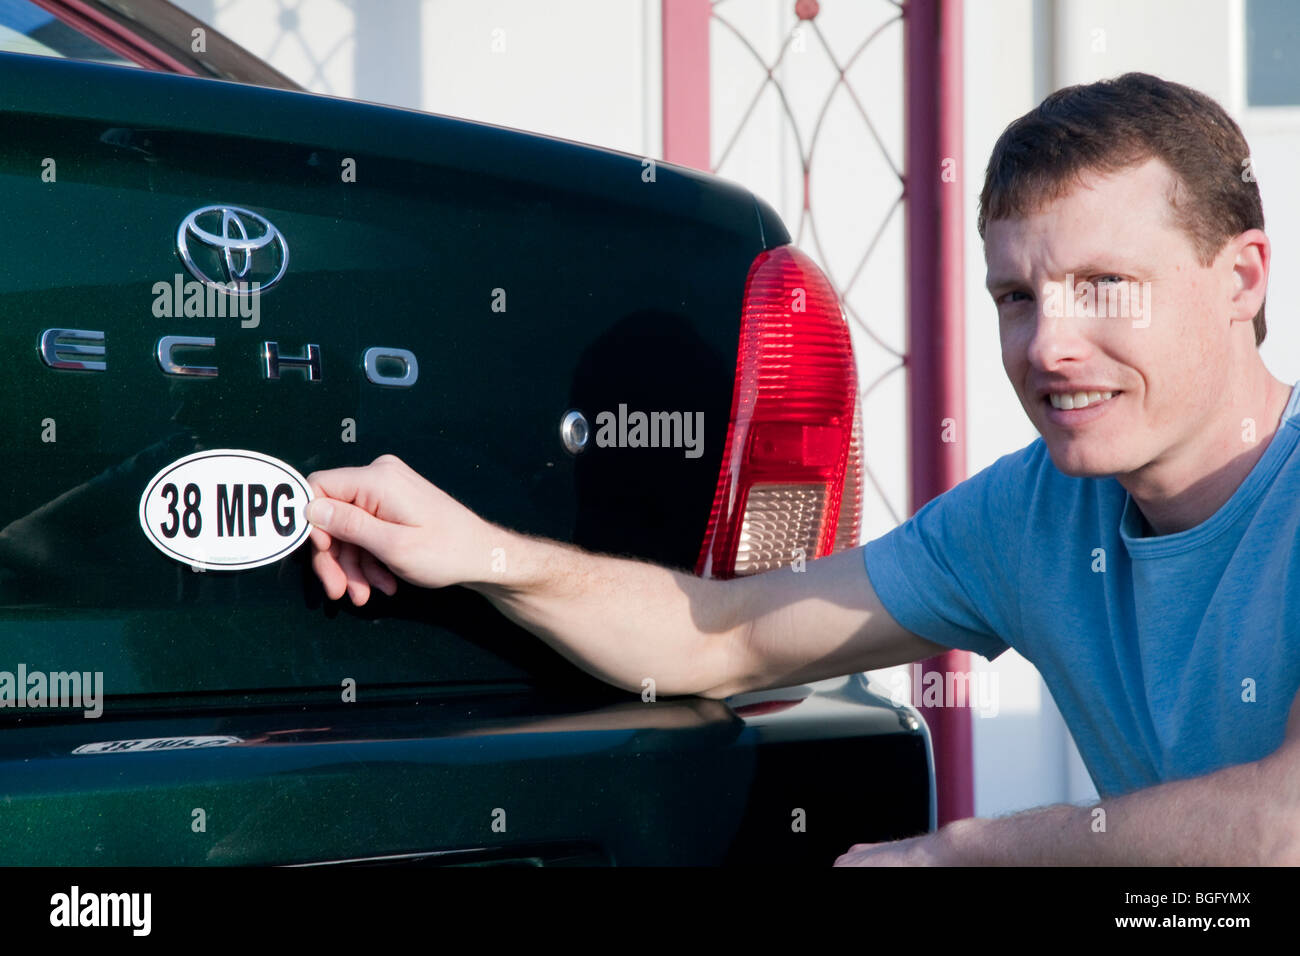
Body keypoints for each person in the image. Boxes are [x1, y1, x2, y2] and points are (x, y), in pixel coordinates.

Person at [301, 72, 1300, 866]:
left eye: (1103, 286)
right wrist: (478, 551)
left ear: (1239, 277)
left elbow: (1280, 829)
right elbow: (721, 636)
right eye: (1015, 297)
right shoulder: (1036, 511)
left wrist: (958, 851)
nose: (1047, 346)